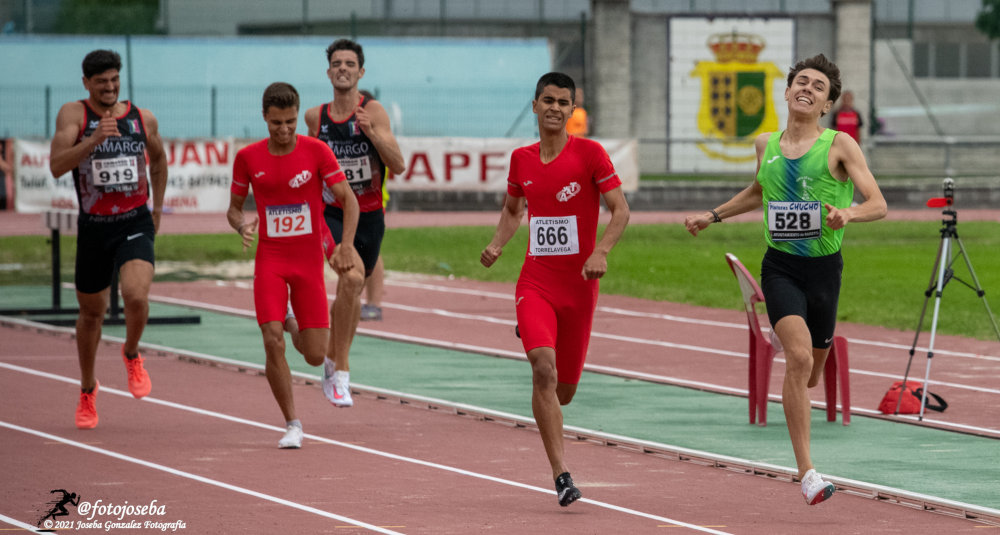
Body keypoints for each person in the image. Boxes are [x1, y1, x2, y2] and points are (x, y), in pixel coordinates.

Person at [684, 54, 887, 505]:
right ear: (788, 90)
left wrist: (848, 213)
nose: (807, 89)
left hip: (825, 272)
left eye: (818, 86)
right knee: (797, 357)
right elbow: (759, 191)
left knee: (812, 373)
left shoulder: (839, 145)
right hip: (780, 267)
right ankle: (808, 473)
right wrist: (712, 216)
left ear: (827, 105)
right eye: (801, 81)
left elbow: (878, 203)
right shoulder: (765, 144)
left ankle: (798, 340)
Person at [480, 72, 630, 507]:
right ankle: (562, 475)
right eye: (548, 100)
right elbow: (513, 210)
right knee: (542, 369)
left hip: (579, 287)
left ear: (572, 110)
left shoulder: (590, 154)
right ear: (535, 105)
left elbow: (620, 210)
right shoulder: (521, 160)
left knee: (563, 392)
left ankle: (534, 333)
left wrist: (600, 251)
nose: (555, 108)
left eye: (564, 102)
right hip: (536, 281)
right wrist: (497, 243)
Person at [227, 82, 359, 448]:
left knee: (315, 355)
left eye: (290, 122)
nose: (284, 130)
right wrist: (242, 225)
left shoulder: (316, 151)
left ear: (297, 115)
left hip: (307, 261)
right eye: (276, 123)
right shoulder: (248, 157)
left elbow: (349, 201)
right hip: (271, 259)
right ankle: (292, 424)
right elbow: (234, 209)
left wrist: (346, 246)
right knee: (272, 342)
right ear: (264, 118)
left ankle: (291, 319)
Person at [49, 49, 167, 429]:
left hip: (134, 221)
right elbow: (56, 166)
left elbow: (159, 161)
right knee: (91, 314)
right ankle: (88, 388)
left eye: (114, 80)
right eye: (101, 82)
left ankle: (131, 352)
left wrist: (157, 209)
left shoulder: (141, 118)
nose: (110, 87)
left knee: (136, 295)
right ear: (86, 83)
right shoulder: (74, 115)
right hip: (94, 228)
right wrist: (94, 139)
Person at [305, 39, 405, 407]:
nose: (343, 69)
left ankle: (331, 361)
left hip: (371, 217)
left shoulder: (373, 112)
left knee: (352, 290)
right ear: (328, 72)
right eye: (337, 63)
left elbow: (399, 164)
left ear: (360, 72)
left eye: (350, 64)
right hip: (331, 214)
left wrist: (372, 133)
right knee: (350, 279)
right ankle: (342, 373)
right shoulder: (315, 118)